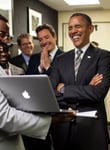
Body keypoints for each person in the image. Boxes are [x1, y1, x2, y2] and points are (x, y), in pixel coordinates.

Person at [0, 14, 76, 150]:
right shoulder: (34, 59)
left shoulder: (68, 58)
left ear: (55, 37)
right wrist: (41, 69)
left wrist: (49, 69)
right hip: (37, 114)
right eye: (40, 39)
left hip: (61, 113)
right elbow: (28, 85)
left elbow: (70, 86)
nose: (43, 42)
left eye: (47, 37)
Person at [50, 12, 110, 150]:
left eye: (78, 26)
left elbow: (98, 93)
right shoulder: (60, 59)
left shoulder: (103, 56)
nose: (73, 31)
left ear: (90, 29)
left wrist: (65, 89)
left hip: (91, 130)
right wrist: (86, 88)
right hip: (63, 129)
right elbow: (51, 92)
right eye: (70, 28)